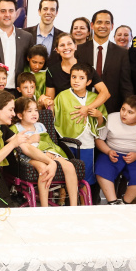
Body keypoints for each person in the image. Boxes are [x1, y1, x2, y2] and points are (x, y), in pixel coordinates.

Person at [12, 97, 78, 207]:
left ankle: (74, 205)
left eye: (36, 110)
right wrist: (31, 140)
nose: (34, 113)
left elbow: (48, 142)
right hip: (27, 157)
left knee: (70, 166)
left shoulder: (40, 126)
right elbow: (21, 148)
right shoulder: (16, 128)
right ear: (19, 115)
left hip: (47, 153)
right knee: (43, 169)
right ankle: (44, 207)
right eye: (29, 111)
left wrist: (50, 152)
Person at [53, 63, 107, 193]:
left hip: (87, 144)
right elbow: (54, 116)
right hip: (67, 142)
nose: (76, 80)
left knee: (85, 176)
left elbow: (100, 125)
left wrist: (99, 115)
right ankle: (66, 202)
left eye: (81, 78)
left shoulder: (95, 98)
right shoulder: (62, 96)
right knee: (66, 176)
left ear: (89, 81)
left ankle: (84, 204)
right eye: (73, 77)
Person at [94, 95, 136, 205]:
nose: (124, 114)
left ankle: (125, 202)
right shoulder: (111, 118)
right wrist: (108, 151)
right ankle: (113, 202)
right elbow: (99, 140)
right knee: (102, 169)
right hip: (112, 152)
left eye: (130, 112)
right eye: (123, 109)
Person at [76, 10, 133, 115]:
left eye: (107, 23)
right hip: (83, 106)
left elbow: (126, 84)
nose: (103, 26)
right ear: (92, 25)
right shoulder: (79, 50)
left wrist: (129, 107)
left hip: (112, 108)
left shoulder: (122, 53)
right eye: (99, 22)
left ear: (112, 27)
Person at [45, 33, 111, 112]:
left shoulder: (87, 68)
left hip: (85, 115)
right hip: (63, 115)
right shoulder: (51, 71)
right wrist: (45, 101)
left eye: (69, 44)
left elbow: (105, 93)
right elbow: (50, 100)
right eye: (62, 45)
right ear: (57, 50)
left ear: (75, 46)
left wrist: (88, 108)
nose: (66, 47)